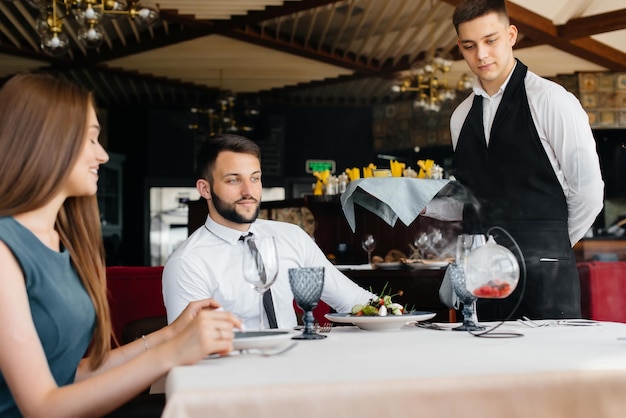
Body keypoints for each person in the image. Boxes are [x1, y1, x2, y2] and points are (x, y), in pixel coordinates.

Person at [0, 72, 242, 418]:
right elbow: (42, 407)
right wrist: (173, 353)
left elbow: (69, 376)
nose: (101, 155)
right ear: (49, 141)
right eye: (91, 139)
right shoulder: (4, 249)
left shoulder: (58, 243)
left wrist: (170, 335)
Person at [426, 0, 604, 321]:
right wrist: (415, 201)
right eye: (469, 45)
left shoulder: (553, 101)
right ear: (460, 47)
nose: (480, 55)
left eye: (490, 40)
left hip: (546, 276)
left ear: (511, 35)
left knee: (549, 371)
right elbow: (471, 199)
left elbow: (588, 194)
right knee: (488, 369)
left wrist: (551, 246)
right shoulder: (460, 117)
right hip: (482, 279)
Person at [162, 133, 376, 329]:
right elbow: (189, 348)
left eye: (254, 178)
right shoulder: (188, 262)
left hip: (298, 362)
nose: (248, 191)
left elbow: (352, 300)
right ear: (205, 189)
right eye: (234, 180)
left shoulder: (292, 237)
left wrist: (400, 316)